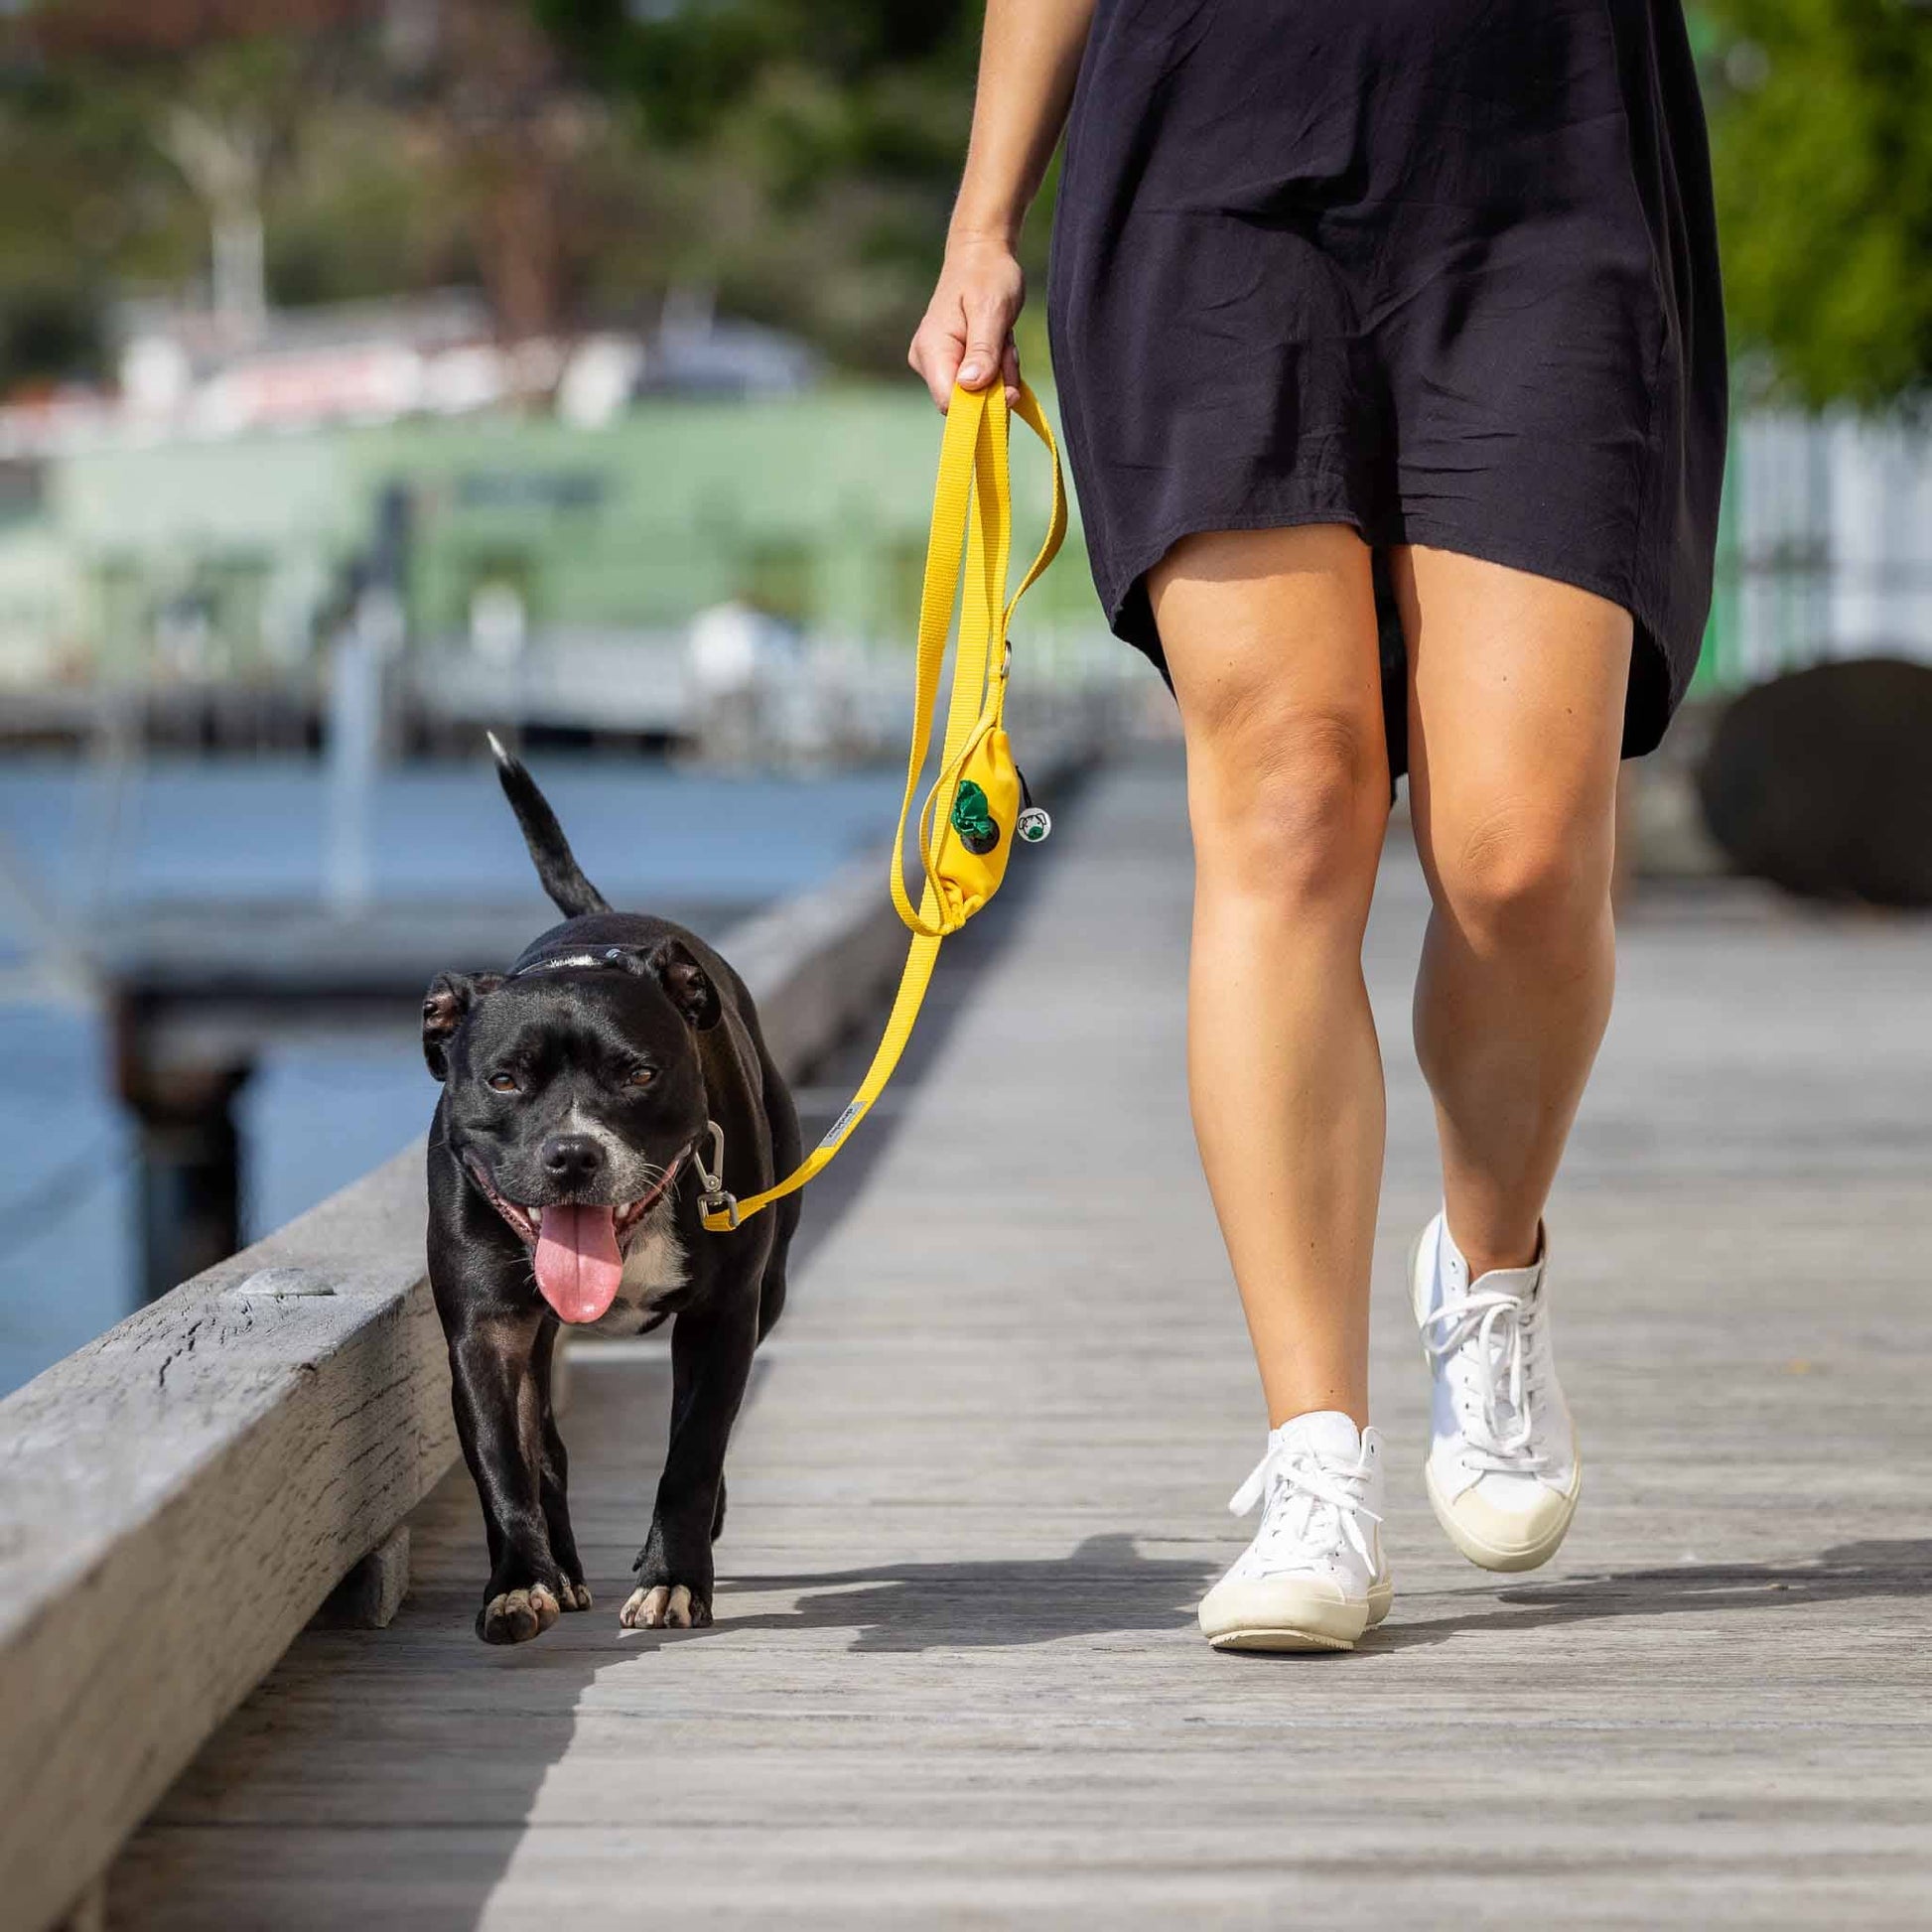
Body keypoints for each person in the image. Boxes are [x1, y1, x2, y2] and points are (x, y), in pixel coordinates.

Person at [909, 0, 1725, 1653]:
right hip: (1204, 166)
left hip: (1540, 154)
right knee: (1288, 801)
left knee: (1519, 852)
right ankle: (1314, 1463)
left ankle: (1487, 1269)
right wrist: (984, 215)